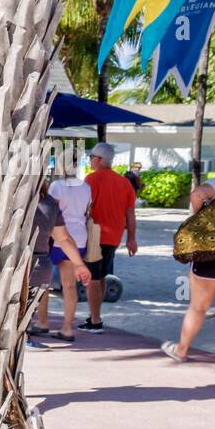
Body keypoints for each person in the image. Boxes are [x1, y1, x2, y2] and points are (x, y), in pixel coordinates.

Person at [162, 147, 215, 377]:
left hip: (211, 252)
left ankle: (182, 350)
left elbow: (197, 194)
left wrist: (197, 217)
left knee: (198, 306)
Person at [27, 178, 93, 351]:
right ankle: (66, 328)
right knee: (68, 286)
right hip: (66, 245)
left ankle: (40, 325)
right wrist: (79, 264)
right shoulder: (51, 201)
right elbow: (64, 238)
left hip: (23, 261)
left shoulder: (54, 188)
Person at [81, 142, 138, 333]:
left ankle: (95, 321)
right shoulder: (125, 183)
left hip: (95, 233)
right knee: (101, 276)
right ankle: (94, 316)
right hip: (114, 235)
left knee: (93, 278)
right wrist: (132, 238)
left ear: (98, 159)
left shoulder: (92, 179)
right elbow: (131, 213)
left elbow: (86, 209)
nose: (90, 161)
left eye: (91, 157)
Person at [42, 165, 93, 342]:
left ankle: (42, 322)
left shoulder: (57, 186)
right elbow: (87, 211)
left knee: (44, 283)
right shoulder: (86, 187)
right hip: (79, 236)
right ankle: (67, 328)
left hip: (58, 235)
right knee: (69, 285)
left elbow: (51, 211)